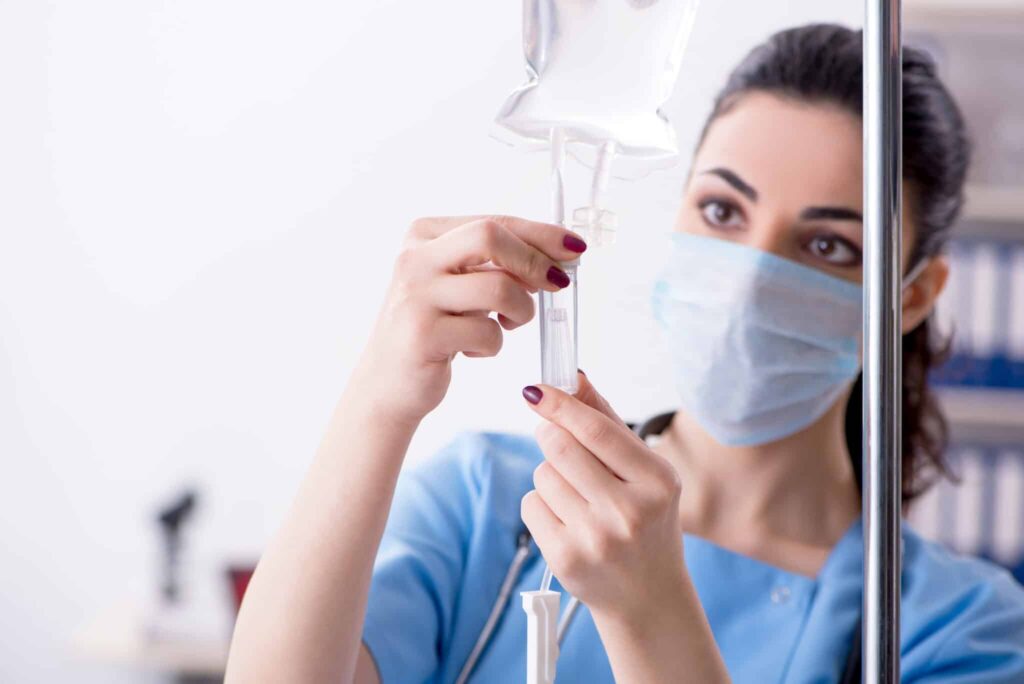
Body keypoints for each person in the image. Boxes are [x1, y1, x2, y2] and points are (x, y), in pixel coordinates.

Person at [225, 24, 1024, 683]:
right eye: (723, 210)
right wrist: (380, 396)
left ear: (911, 295)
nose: (748, 281)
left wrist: (651, 614)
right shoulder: (489, 503)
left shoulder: (955, 629)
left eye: (827, 244)